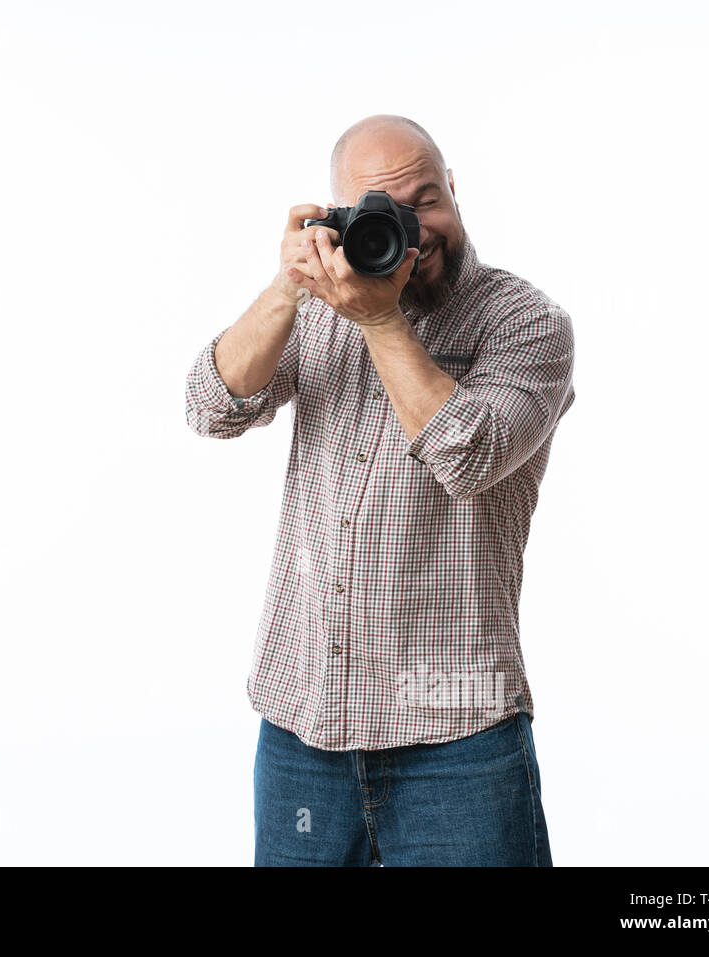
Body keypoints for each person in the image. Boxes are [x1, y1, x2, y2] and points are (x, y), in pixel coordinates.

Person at [183, 114, 575, 866]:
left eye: (425, 199)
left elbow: (469, 453)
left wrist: (382, 321)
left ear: (454, 189)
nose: (412, 227)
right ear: (342, 216)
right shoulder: (321, 308)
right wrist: (287, 288)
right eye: (381, 210)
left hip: (456, 734)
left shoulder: (527, 323)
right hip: (304, 724)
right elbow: (210, 406)